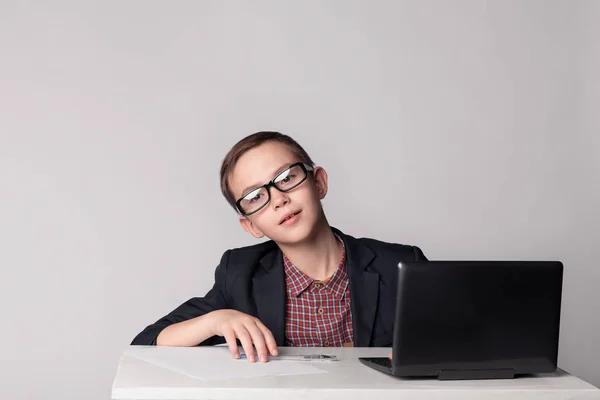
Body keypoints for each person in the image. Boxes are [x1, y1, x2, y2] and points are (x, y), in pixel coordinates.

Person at [131, 131, 427, 362]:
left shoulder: (400, 265)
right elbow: (147, 342)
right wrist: (215, 321)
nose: (278, 199)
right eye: (256, 197)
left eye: (287, 178)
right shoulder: (238, 275)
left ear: (319, 182)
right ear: (251, 226)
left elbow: (461, 344)